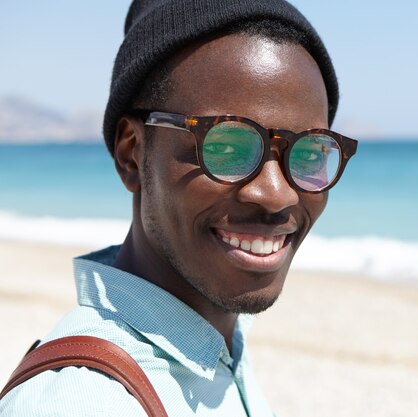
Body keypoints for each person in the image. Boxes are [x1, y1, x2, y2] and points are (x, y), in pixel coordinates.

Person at [0, 0, 357, 415]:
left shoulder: (216, 350)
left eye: (310, 153)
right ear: (132, 154)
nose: (278, 195)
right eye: (225, 146)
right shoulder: (87, 403)